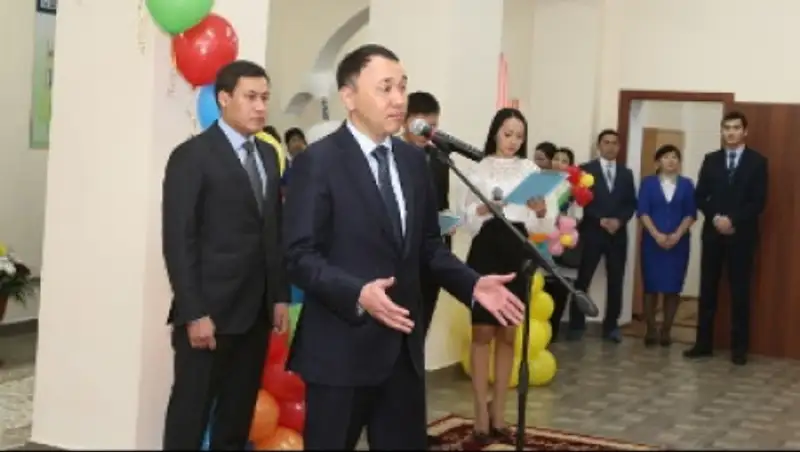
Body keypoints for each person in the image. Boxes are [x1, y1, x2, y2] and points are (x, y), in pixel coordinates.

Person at [282, 44, 525, 451]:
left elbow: (428, 246)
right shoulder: (319, 162)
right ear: (349, 97)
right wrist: (357, 293)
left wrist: (471, 283)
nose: (398, 99)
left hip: (402, 353)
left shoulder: (414, 162)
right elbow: (298, 256)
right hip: (341, 351)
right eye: (385, 88)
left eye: (402, 87)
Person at [161, 60, 290, 449]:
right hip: (209, 316)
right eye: (250, 97)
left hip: (256, 314)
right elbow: (178, 240)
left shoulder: (267, 155)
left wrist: (279, 295)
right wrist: (194, 311)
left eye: (265, 98)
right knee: (191, 414)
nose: (260, 107)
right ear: (224, 98)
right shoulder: (192, 156)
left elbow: (273, 231)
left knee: (236, 417)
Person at [461, 108, 554, 443]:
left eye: (519, 135)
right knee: (482, 332)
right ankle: (480, 415)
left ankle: (499, 413)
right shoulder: (479, 168)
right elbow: (465, 218)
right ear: (495, 133)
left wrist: (541, 211)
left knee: (508, 335)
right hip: (486, 249)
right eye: (507, 133)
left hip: (517, 249)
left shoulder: (531, 170)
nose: (513, 141)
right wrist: (482, 209)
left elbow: (543, 225)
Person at [684, 111, 768, 366]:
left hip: (742, 237)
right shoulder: (711, 160)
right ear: (721, 131)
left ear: (745, 131)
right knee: (708, 289)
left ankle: (739, 348)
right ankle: (703, 344)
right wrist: (716, 218)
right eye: (727, 128)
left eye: (736, 128)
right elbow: (700, 196)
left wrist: (732, 220)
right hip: (713, 235)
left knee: (740, 292)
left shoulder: (758, 162)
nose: (731, 132)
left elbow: (758, 201)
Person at [568, 129, 637, 342]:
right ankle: (576, 324)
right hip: (592, 233)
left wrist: (619, 221)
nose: (610, 146)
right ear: (599, 146)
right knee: (583, 279)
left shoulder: (626, 173)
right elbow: (580, 200)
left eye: (614, 143)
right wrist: (599, 219)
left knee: (616, 280)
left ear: (619, 146)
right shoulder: (585, 170)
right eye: (606, 142)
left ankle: (611, 326)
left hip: (617, 235)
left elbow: (631, 204)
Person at [401, 91, 452, 335]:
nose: (427, 132)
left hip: (432, 255)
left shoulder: (439, 158)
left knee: (423, 325)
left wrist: (448, 224)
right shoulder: (393, 155)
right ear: (405, 120)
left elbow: (442, 201)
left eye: (433, 126)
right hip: (403, 258)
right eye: (422, 125)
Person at [637, 145, 697, 347]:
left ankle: (666, 330)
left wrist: (677, 235)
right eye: (666, 157)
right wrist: (657, 235)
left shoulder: (687, 184)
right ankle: (651, 329)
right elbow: (643, 212)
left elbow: (691, 213)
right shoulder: (648, 183)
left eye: (674, 157)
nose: (671, 161)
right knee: (651, 286)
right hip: (652, 243)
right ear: (658, 162)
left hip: (679, 244)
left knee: (673, 287)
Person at [547, 147, 583, 341]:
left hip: (563, 240)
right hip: (543, 239)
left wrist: (562, 219)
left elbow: (578, 216)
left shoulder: (573, 189)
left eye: (564, 161)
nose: (558, 163)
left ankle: (553, 330)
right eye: (556, 159)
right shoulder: (542, 183)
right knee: (543, 286)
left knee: (561, 288)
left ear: (571, 166)